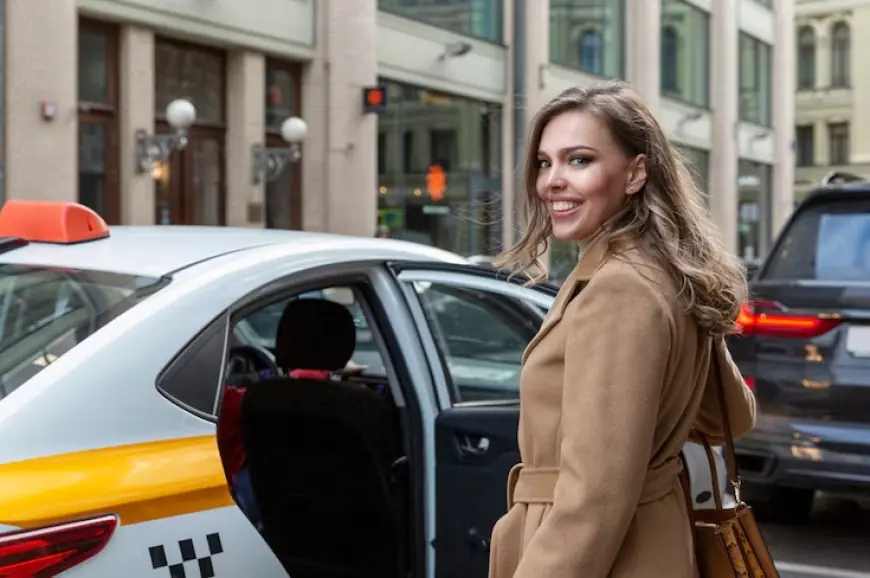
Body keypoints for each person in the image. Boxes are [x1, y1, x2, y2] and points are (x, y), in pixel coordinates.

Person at [487, 81, 758, 578]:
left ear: (635, 173)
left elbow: (594, 499)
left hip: (605, 557)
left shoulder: (621, 289)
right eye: (545, 162)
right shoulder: (668, 275)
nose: (552, 181)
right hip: (654, 541)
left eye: (579, 160)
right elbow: (731, 417)